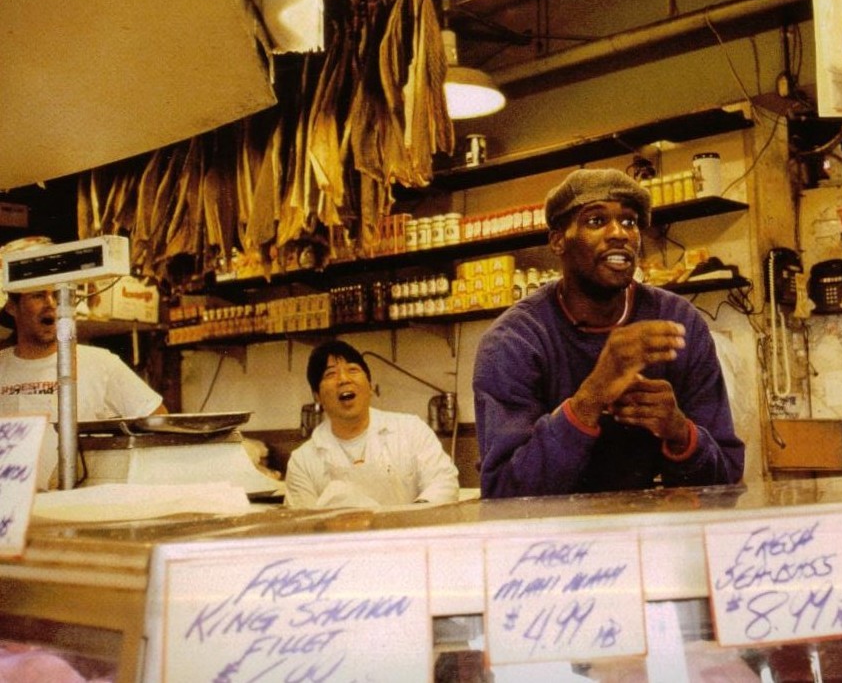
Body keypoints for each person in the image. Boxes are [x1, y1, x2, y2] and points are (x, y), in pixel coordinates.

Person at [473, 167, 745, 498]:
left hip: (657, 535)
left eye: (629, 221)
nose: (619, 233)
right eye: (596, 221)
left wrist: (678, 431)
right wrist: (590, 398)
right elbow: (503, 493)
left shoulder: (678, 322)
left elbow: (728, 476)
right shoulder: (514, 342)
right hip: (553, 544)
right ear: (558, 240)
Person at [0, 288, 167, 490]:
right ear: (12, 308)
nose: (52, 303)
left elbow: (159, 424)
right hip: (10, 510)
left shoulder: (101, 363)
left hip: (78, 507)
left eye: (59, 295)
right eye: (38, 295)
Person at [284, 340, 460, 509]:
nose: (344, 379)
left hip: (409, 537)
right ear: (317, 396)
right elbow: (304, 524)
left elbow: (444, 482)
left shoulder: (411, 430)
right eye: (331, 374)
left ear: (369, 386)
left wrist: (410, 519)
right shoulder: (302, 461)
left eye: (353, 370)